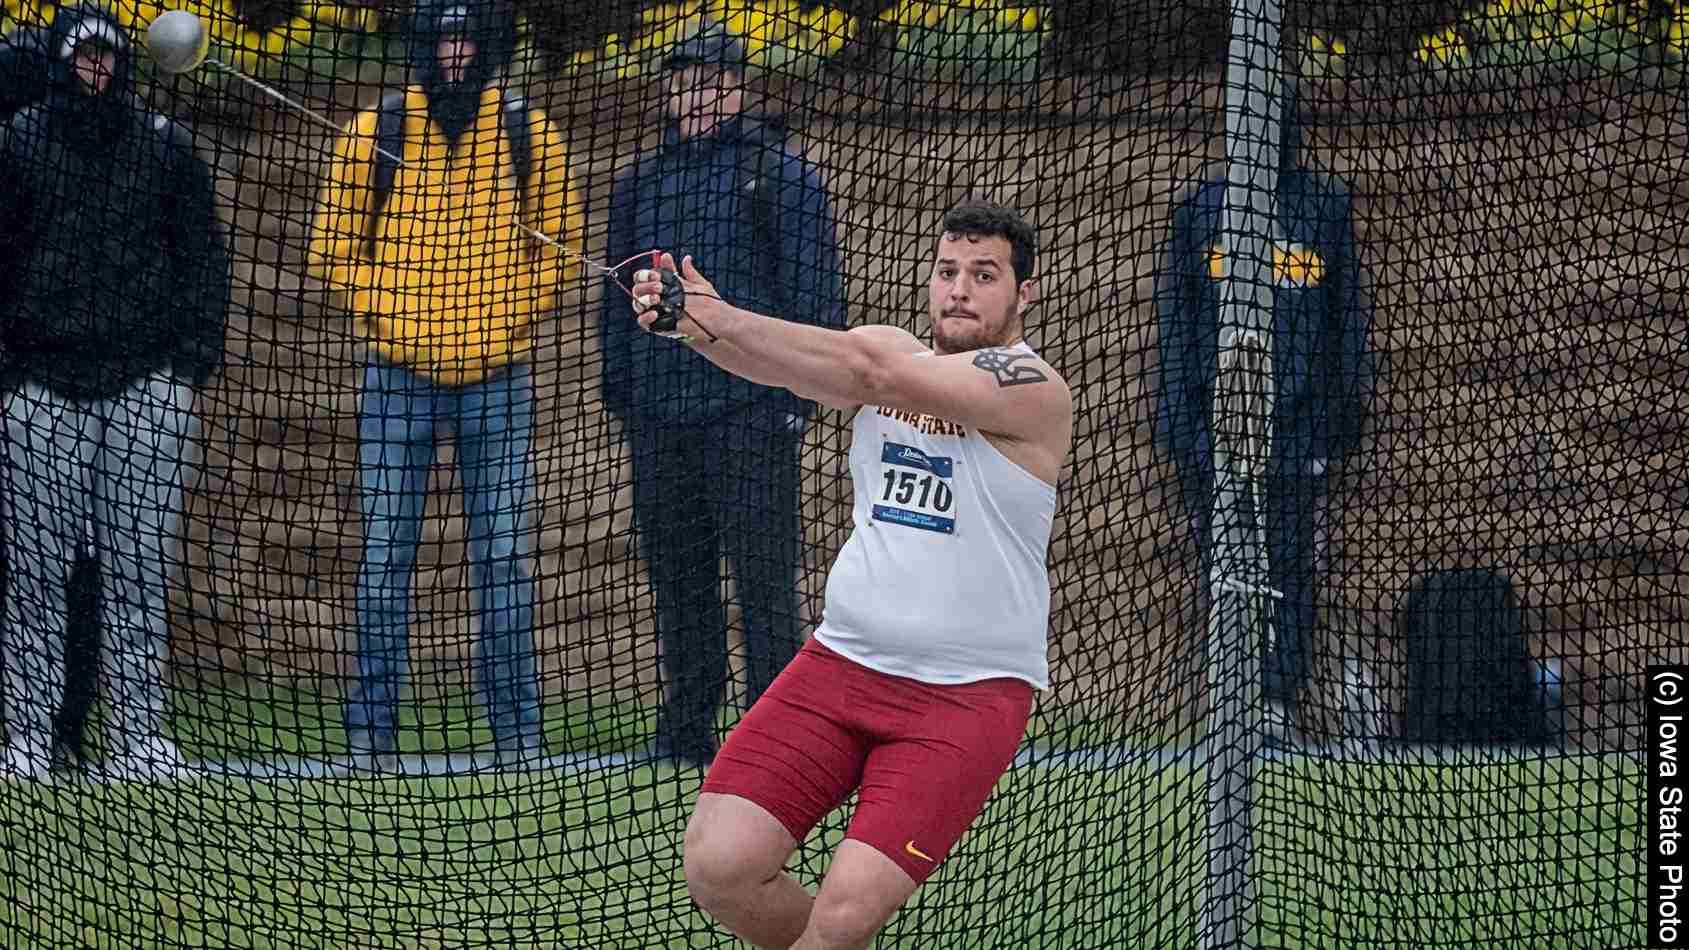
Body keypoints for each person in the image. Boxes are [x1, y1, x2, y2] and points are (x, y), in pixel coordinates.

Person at [627, 199, 1071, 950]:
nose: (958, 289)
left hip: (961, 701)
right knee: (718, 866)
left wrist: (723, 315)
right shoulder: (891, 350)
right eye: (946, 271)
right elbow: (788, 367)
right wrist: (692, 328)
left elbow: (866, 371)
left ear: (1023, 294)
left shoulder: (1029, 385)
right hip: (839, 669)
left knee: (838, 922)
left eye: (983, 275)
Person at [307, 0, 583, 770]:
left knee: (502, 559)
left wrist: (504, 319)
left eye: (466, 40)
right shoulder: (377, 132)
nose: (453, 53)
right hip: (396, 379)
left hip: (497, 378)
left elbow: (561, 250)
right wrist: (392, 312)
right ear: (421, 47)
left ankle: (518, 740)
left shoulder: (529, 134)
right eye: (440, 40)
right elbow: (331, 248)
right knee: (384, 557)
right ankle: (370, 740)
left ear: (488, 47)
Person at [598, 23, 845, 768]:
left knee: (765, 582)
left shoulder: (779, 174)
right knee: (678, 577)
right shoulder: (637, 182)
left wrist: (794, 400)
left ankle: (776, 737)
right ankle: (685, 730)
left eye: (713, 81)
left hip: (750, 414)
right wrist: (625, 393)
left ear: (739, 88)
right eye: (685, 81)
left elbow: (814, 297)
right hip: (661, 417)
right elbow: (616, 301)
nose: (698, 95)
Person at [0, 1, 229, 780]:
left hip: (144, 387)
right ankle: (27, 736)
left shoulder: (163, 150)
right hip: (40, 386)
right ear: (62, 59)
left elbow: (204, 261)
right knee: (34, 574)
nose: (96, 70)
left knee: (138, 573)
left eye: (107, 56)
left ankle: (141, 736)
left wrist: (186, 367)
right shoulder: (18, 143)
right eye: (82, 55)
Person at [1153, 78, 1372, 743]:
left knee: (1288, 568)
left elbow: (1345, 326)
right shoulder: (1202, 209)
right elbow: (1177, 326)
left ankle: (1275, 702)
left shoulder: (1321, 207)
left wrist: (1335, 424)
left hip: (1295, 429)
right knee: (1223, 568)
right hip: (1213, 432)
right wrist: (1183, 427)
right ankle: (1232, 698)